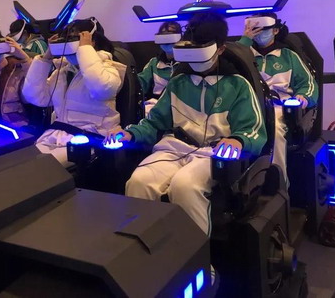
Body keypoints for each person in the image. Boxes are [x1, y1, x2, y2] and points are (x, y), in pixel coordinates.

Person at [106, 12, 267, 236]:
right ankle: (144, 247)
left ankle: (197, 254)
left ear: (220, 49)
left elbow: (253, 130)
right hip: (174, 148)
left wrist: (238, 140)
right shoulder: (178, 83)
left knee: (184, 186)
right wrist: (130, 134)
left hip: (213, 154)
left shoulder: (238, 85)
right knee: (139, 181)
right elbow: (154, 123)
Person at [22, 17, 126, 165]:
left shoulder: (109, 69)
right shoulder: (62, 72)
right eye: (66, 39)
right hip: (56, 136)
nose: (68, 43)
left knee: (41, 167)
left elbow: (101, 89)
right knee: (23, 163)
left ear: (92, 41)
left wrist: (85, 49)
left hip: (91, 139)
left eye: (75, 39)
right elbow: (35, 97)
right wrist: (46, 58)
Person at [238, 13, 318, 182]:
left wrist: (303, 97)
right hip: (247, 105)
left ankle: (277, 180)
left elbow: (308, 84)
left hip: (278, 107)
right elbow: (230, 65)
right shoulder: (244, 55)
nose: (258, 33)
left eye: (263, 29)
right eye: (254, 29)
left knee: (275, 127)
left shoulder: (288, 56)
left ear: (275, 30)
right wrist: (245, 41)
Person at [138, 21, 182, 113]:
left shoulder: (187, 64)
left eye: (171, 34)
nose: (167, 39)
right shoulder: (154, 63)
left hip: (179, 106)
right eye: (163, 35)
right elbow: (139, 85)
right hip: (155, 106)